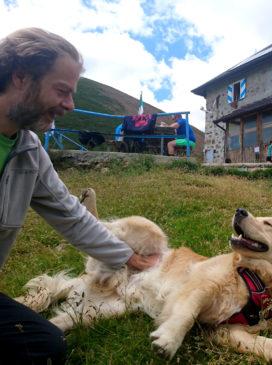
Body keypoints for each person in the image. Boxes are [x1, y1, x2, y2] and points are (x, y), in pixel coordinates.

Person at [0, 28, 159, 364]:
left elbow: (71, 215)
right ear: (20, 77)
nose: (70, 105)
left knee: (46, 345)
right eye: (62, 91)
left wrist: (133, 259)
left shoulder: (29, 151)